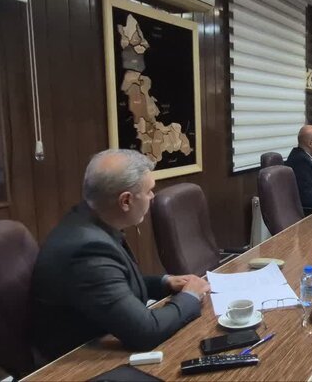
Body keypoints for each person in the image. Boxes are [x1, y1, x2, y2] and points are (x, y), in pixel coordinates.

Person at [31, 149, 210, 361]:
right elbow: (145, 332)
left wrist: (165, 283)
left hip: (104, 336)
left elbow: (113, 284)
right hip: (80, 363)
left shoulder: (86, 221)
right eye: (149, 191)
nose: (153, 197)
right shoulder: (87, 251)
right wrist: (190, 297)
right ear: (125, 201)